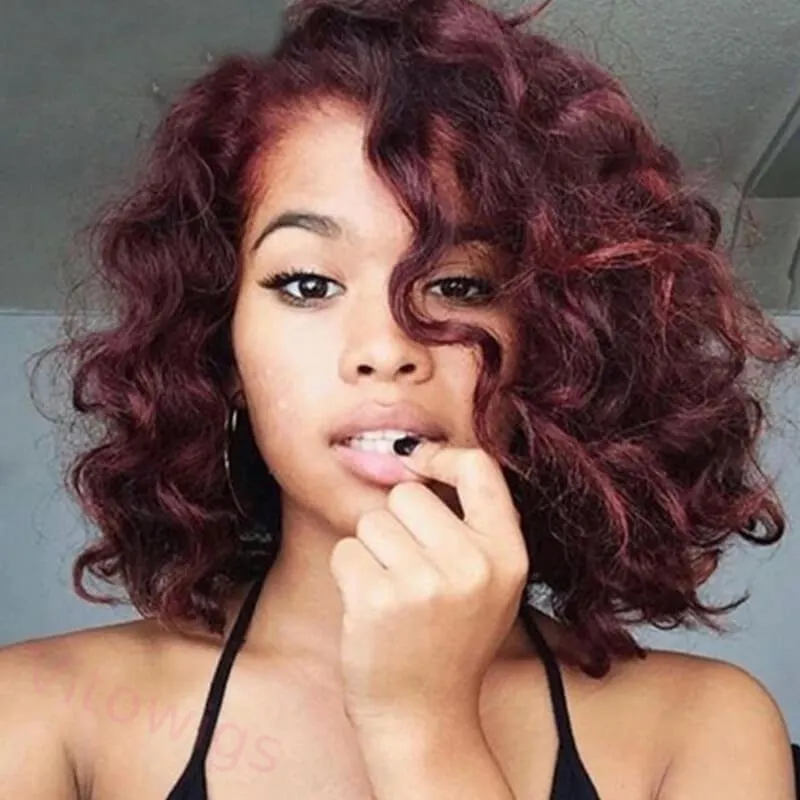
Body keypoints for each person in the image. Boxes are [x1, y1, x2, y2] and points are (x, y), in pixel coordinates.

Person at [2, 0, 797, 796]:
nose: (386, 349)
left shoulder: (702, 728)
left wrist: (424, 726)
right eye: (307, 284)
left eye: (458, 286)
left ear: (553, 348)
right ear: (222, 345)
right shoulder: (40, 714)